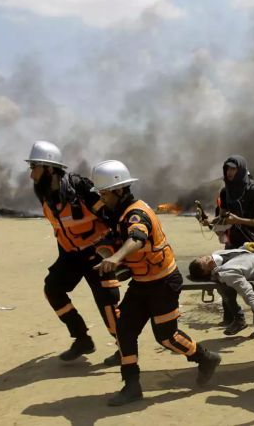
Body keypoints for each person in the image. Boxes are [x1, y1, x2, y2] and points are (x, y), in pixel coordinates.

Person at [91, 160, 221, 406]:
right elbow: (109, 240)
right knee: (124, 330)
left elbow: (137, 238)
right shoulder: (118, 213)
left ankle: (205, 358)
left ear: (118, 190)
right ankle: (131, 385)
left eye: (104, 193)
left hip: (163, 283)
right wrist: (106, 253)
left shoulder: (138, 213)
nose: (102, 198)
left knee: (166, 337)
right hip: (142, 283)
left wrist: (117, 258)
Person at [25, 141, 121, 365]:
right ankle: (81, 338)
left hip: (98, 256)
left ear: (49, 168)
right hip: (71, 256)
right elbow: (62, 229)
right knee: (53, 289)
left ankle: (124, 348)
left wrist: (115, 253)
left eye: (34, 168)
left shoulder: (80, 189)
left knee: (108, 305)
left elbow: (111, 216)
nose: (31, 175)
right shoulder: (46, 194)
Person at [204, 156, 254, 337]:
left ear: (240, 169)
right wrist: (210, 222)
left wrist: (239, 220)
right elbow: (224, 217)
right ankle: (237, 318)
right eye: (227, 169)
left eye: (233, 169)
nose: (229, 173)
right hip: (232, 244)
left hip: (253, 244)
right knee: (223, 280)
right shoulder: (226, 192)